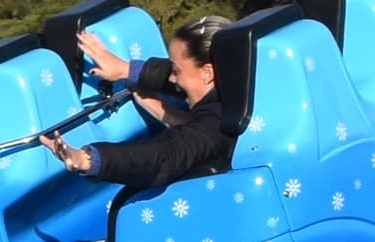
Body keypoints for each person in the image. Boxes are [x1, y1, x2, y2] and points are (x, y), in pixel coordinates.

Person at [42, 19, 240, 194]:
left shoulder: (219, 121)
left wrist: (88, 159)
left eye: (176, 70)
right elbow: (167, 73)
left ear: (207, 73)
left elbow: (164, 156)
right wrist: (126, 69)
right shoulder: (242, 81)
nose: (172, 79)